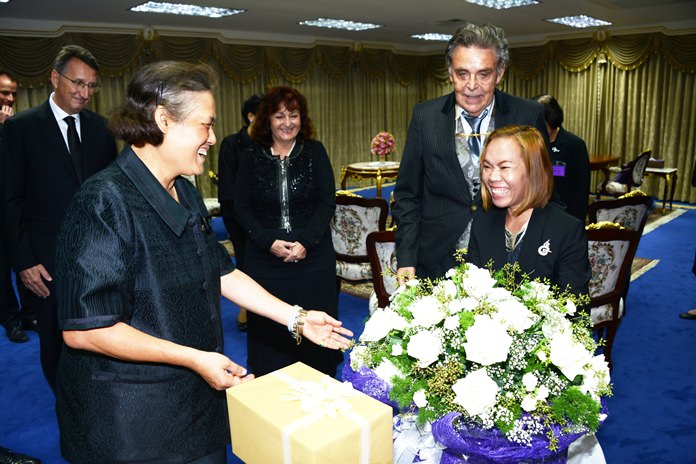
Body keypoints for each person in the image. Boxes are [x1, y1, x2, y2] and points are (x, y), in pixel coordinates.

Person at [54, 61, 352, 464]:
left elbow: (221, 271)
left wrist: (296, 318)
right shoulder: (103, 201)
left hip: (197, 400)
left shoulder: (185, 192)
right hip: (133, 418)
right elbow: (87, 330)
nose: (212, 138)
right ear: (163, 119)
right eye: (204, 125)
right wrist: (194, 358)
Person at [392, 21, 549, 284]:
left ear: (500, 73)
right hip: (437, 257)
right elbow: (408, 194)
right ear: (450, 73)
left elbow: (543, 189)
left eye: (483, 74)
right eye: (463, 73)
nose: (471, 85)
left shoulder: (528, 114)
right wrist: (406, 256)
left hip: (507, 258)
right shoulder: (425, 116)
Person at [1, 46, 117, 390]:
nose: (85, 93)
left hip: (99, 256)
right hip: (45, 262)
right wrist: (24, 262)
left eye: (92, 86)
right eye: (78, 83)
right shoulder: (21, 128)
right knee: (54, 338)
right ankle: (66, 404)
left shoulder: (102, 128)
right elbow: (9, 199)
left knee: (100, 331)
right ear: (55, 78)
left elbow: (111, 193)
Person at [234, 86, 340, 377]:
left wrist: (305, 241)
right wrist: (268, 241)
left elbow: (327, 201)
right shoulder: (251, 157)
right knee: (270, 330)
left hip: (313, 258)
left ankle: (321, 385)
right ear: (266, 119)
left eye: (294, 115)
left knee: (317, 329)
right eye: (279, 116)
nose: (287, 122)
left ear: (302, 119)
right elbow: (240, 207)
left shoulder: (314, 152)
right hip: (266, 260)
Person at [468, 125, 591, 298]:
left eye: (504, 167)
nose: (492, 177)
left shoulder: (566, 231)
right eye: (487, 166)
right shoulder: (482, 223)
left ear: (534, 170)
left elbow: (575, 310)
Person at [218, 93, 263, 332]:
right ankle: (246, 306)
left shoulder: (269, 143)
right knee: (246, 261)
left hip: (266, 218)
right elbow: (228, 189)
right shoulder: (231, 144)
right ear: (251, 116)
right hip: (238, 217)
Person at [535, 94, 590, 222]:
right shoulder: (532, 145)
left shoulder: (574, 145)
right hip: (537, 214)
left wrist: (576, 224)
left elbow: (581, 191)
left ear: (552, 119)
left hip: (564, 214)